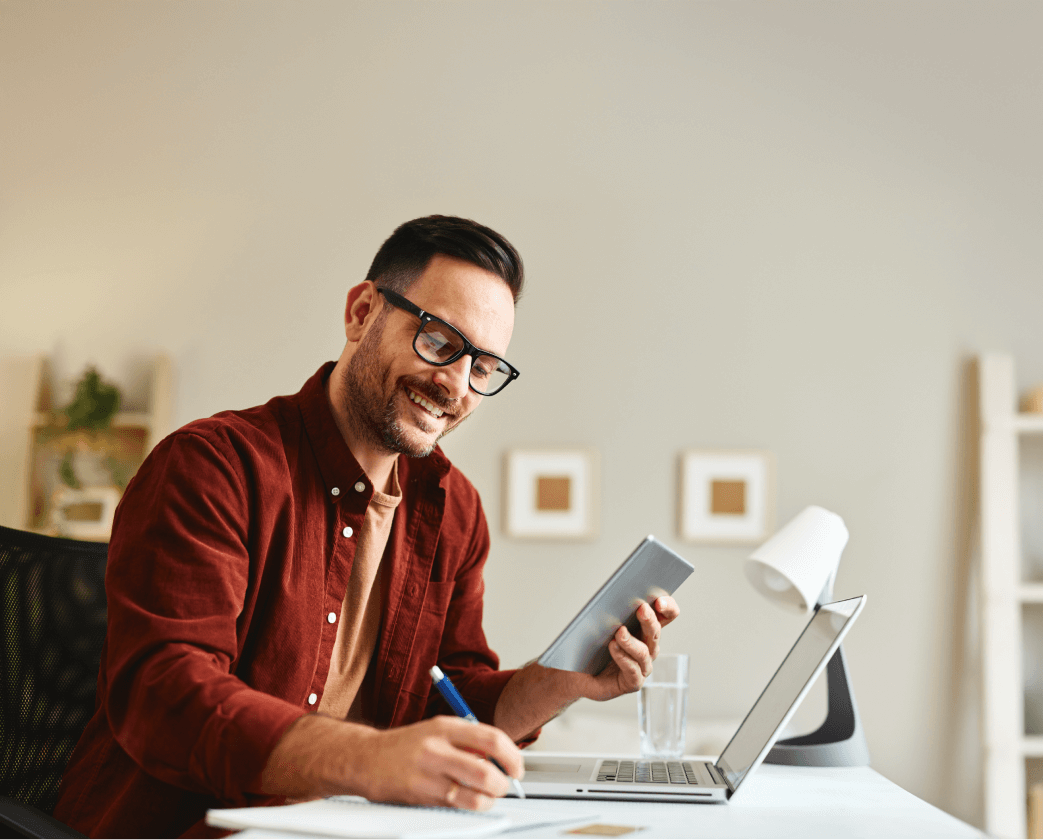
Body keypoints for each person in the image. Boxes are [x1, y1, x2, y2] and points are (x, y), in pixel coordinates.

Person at [54, 216, 681, 839]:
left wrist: (563, 681)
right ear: (361, 313)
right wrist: (372, 760)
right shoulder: (213, 466)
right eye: (439, 341)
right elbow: (164, 696)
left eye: (483, 367)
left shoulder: (454, 509)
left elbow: (451, 701)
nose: (455, 384)